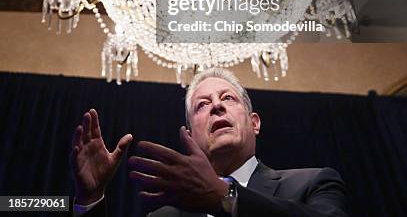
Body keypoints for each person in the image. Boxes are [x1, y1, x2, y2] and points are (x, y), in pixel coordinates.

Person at [71, 68, 349, 216]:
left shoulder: (312, 184)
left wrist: (226, 198)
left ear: (255, 122)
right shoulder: (166, 216)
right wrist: (90, 199)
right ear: (190, 136)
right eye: (202, 104)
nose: (216, 106)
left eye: (228, 98)